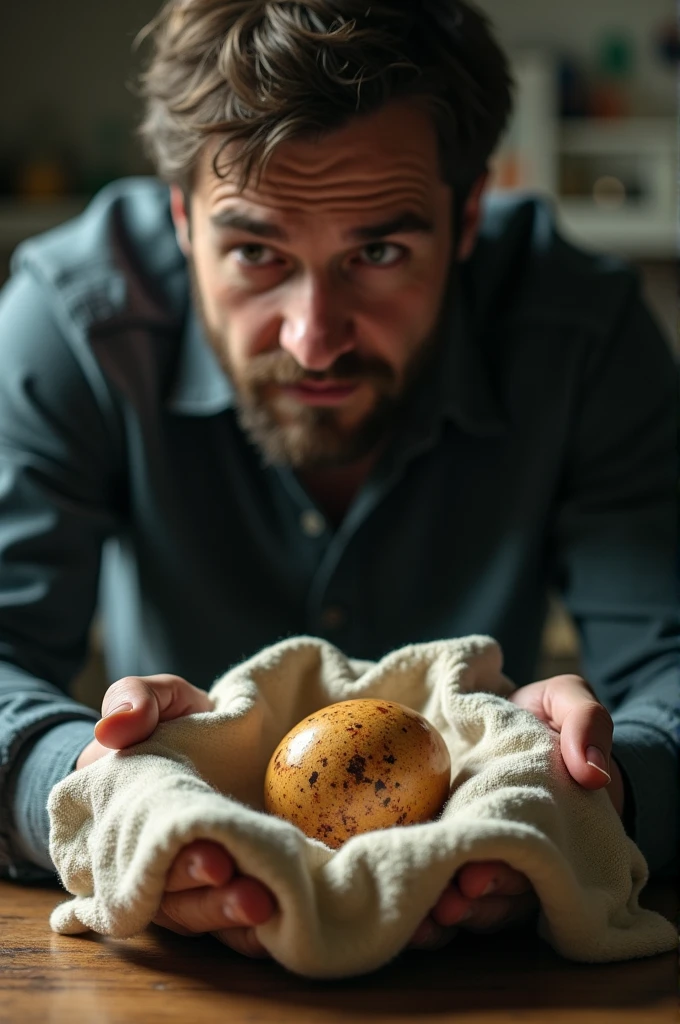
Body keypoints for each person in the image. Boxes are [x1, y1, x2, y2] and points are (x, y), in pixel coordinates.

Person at [1, 0, 677, 959]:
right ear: (182, 217)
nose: (311, 336)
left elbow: (670, 664)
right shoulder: (68, 325)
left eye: (380, 252)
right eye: (256, 254)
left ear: (470, 212)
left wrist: (583, 798)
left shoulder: (585, 335)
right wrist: (107, 798)